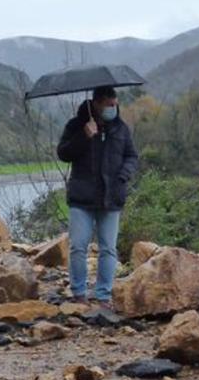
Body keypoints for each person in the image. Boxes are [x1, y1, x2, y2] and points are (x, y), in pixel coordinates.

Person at [57, 86, 139, 306]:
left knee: (108, 248)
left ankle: (103, 294)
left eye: (115, 104)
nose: (113, 108)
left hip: (111, 197)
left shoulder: (121, 129)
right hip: (81, 198)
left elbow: (132, 156)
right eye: (109, 104)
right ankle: (79, 293)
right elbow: (63, 153)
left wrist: (124, 175)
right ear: (97, 104)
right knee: (78, 246)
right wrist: (84, 136)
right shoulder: (76, 125)